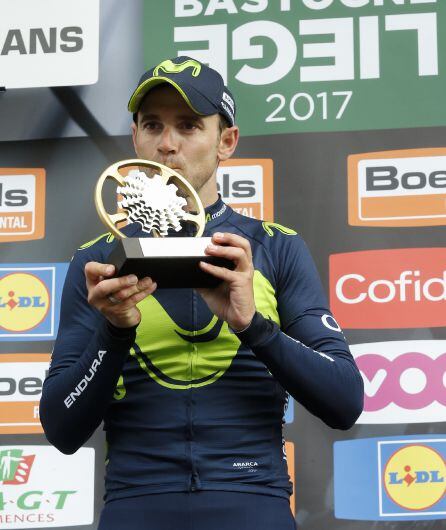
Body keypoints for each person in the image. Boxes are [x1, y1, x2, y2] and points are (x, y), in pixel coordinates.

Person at [40, 56, 364, 530]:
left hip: (252, 500)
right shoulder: (97, 262)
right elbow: (61, 428)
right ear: (136, 140)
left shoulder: (275, 247)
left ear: (226, 142)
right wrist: (113, 333)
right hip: (137, 501)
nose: (167, 145)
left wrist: (254, 327)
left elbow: (345, 402)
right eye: (152, 125)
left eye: (189, 126)